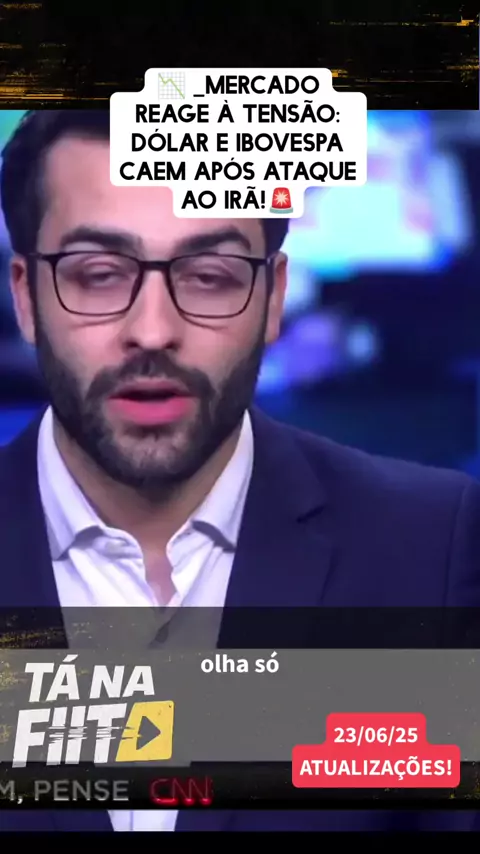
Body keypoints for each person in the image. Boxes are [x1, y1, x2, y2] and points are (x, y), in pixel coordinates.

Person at [0, 110, 478, 833]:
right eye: (98, 275)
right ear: (25, 295)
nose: (153, 331)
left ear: (274, 297)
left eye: (209, 277)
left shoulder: (429, 547)